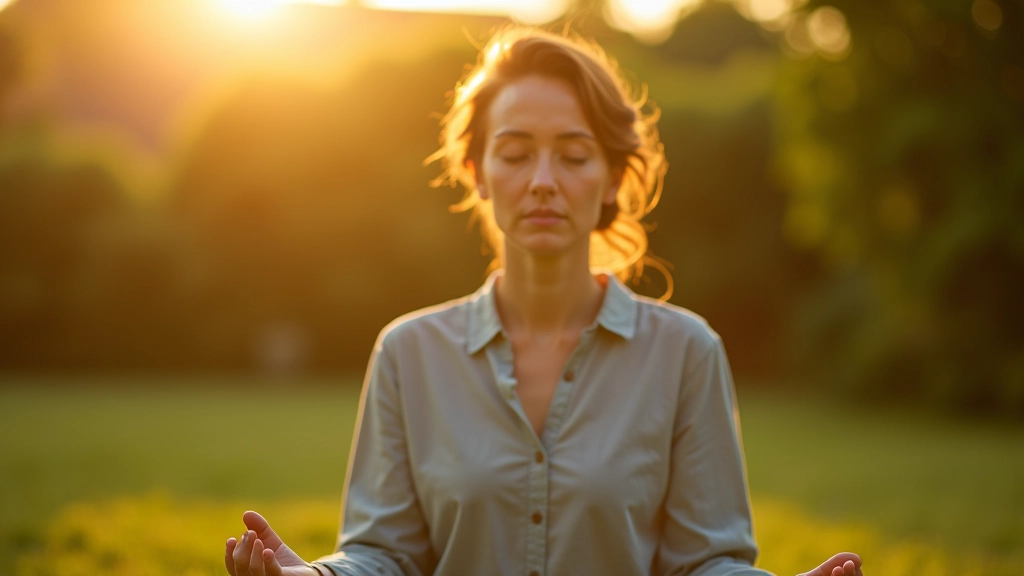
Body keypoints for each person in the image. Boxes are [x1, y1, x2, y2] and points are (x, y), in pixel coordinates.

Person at [223, 27, 865, 576]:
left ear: (613, 174)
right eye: (515, 153)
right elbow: (384, 555)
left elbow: (705, 563)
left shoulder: (686, 353)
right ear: (476, 171)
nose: (543, 182)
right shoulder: (407, 354)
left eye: (574, 154)